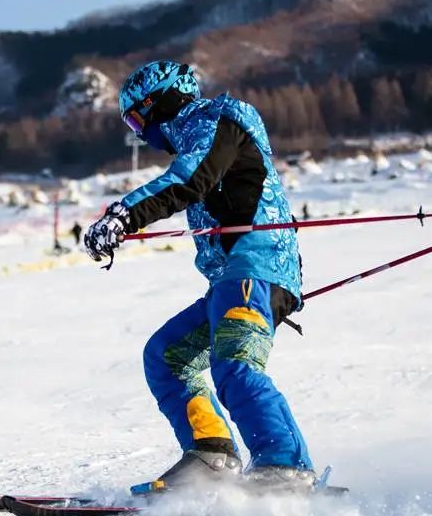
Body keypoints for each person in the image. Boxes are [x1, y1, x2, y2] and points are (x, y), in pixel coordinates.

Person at [84, 60, 314, 492]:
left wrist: (124, 215)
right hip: (230, 279)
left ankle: (285, 467)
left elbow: (190, 179)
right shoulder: (197, 133)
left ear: (160, 103)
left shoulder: (217, 122)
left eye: (136, 119)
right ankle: (211, 456)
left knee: (234, 364)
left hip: (258, 270)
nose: (138, 133)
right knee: (166, 356)